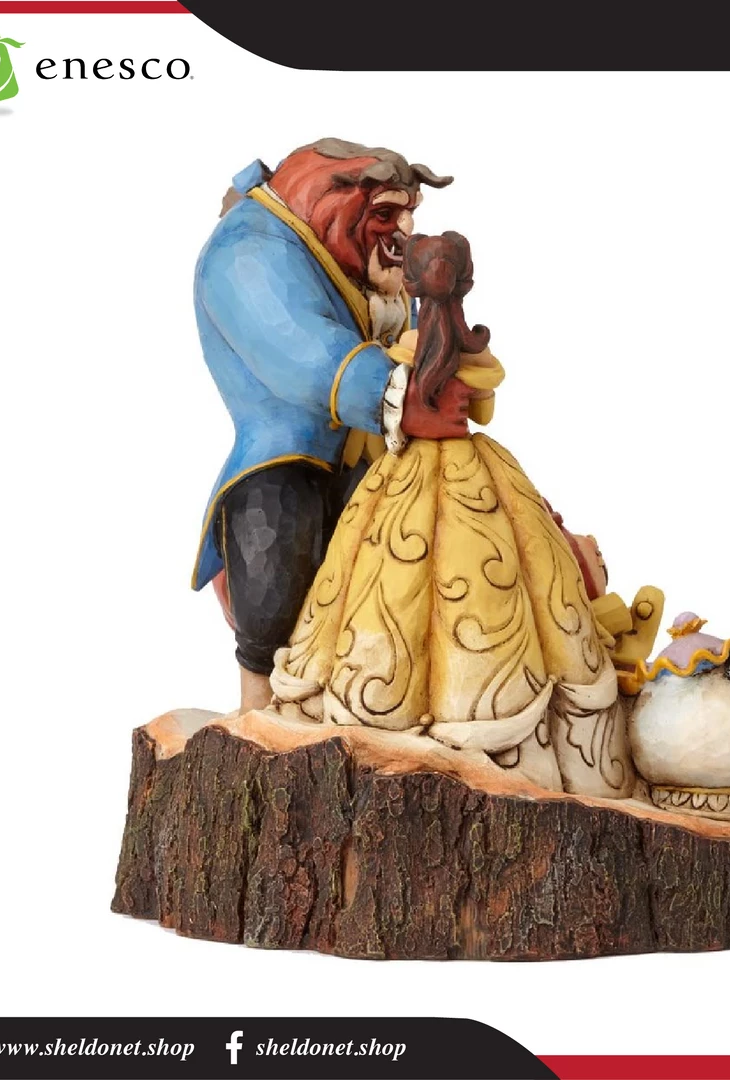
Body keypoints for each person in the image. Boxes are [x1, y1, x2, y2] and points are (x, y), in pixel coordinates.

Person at [270, 232, 633, 797]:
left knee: (385, 578)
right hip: (467, 467)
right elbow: (482, 410)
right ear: (465, 284)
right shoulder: (471, 350)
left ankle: (395, 712)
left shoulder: (405, 349)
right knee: (491, 575)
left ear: (412, 285)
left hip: (403, 472)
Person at [190, 139, 472, 713]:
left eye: (408, 214)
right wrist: (396, 395)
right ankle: (258, 704)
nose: (402, 231)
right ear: (335, 201)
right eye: (387, 214)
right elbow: (296, 347)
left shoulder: (368, 264)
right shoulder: (248, 249)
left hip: (378, 454)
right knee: (275, 535)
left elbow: (408, 338)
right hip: (287, 452)